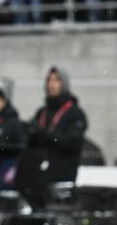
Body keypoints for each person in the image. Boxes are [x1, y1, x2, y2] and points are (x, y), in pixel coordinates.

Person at [15, 66, 87, 210]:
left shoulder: (74, 113)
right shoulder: (43, 111)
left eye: (56, 80)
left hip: (61, 179)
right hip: (37, 179)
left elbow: (73, 142)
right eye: (49, 80)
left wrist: (45, 134)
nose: (51, 84)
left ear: (64, 84)